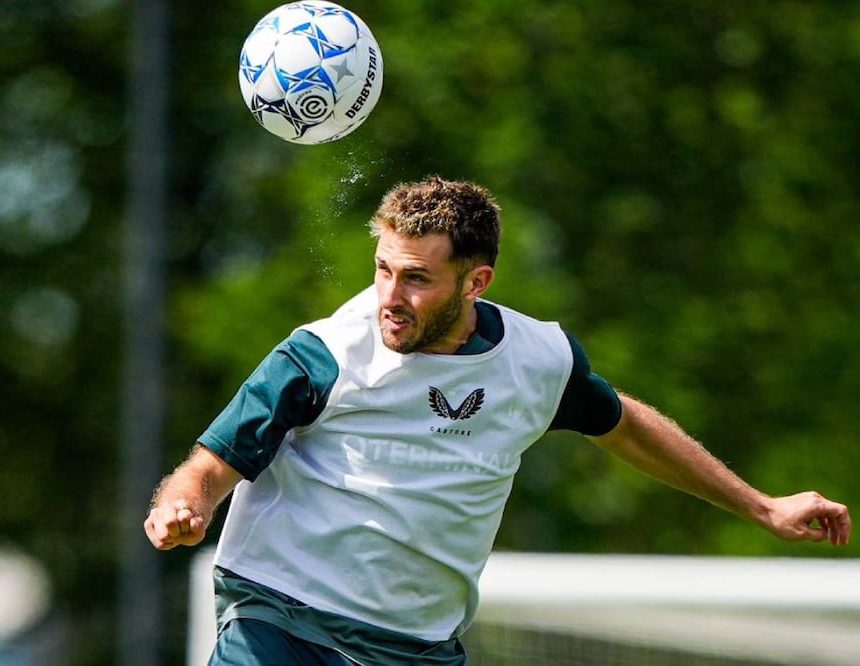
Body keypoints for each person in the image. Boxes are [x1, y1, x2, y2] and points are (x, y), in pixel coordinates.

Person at [145, 176, 851, 666]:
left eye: (416, 278)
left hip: (414, 646)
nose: (390, 295)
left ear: (475, 283)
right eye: (382, 269)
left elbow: (625, 425)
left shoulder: (537, 359)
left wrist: (760, 506)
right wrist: (184, 506)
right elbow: (211, 465)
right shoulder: (324, 354)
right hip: (280, 617)